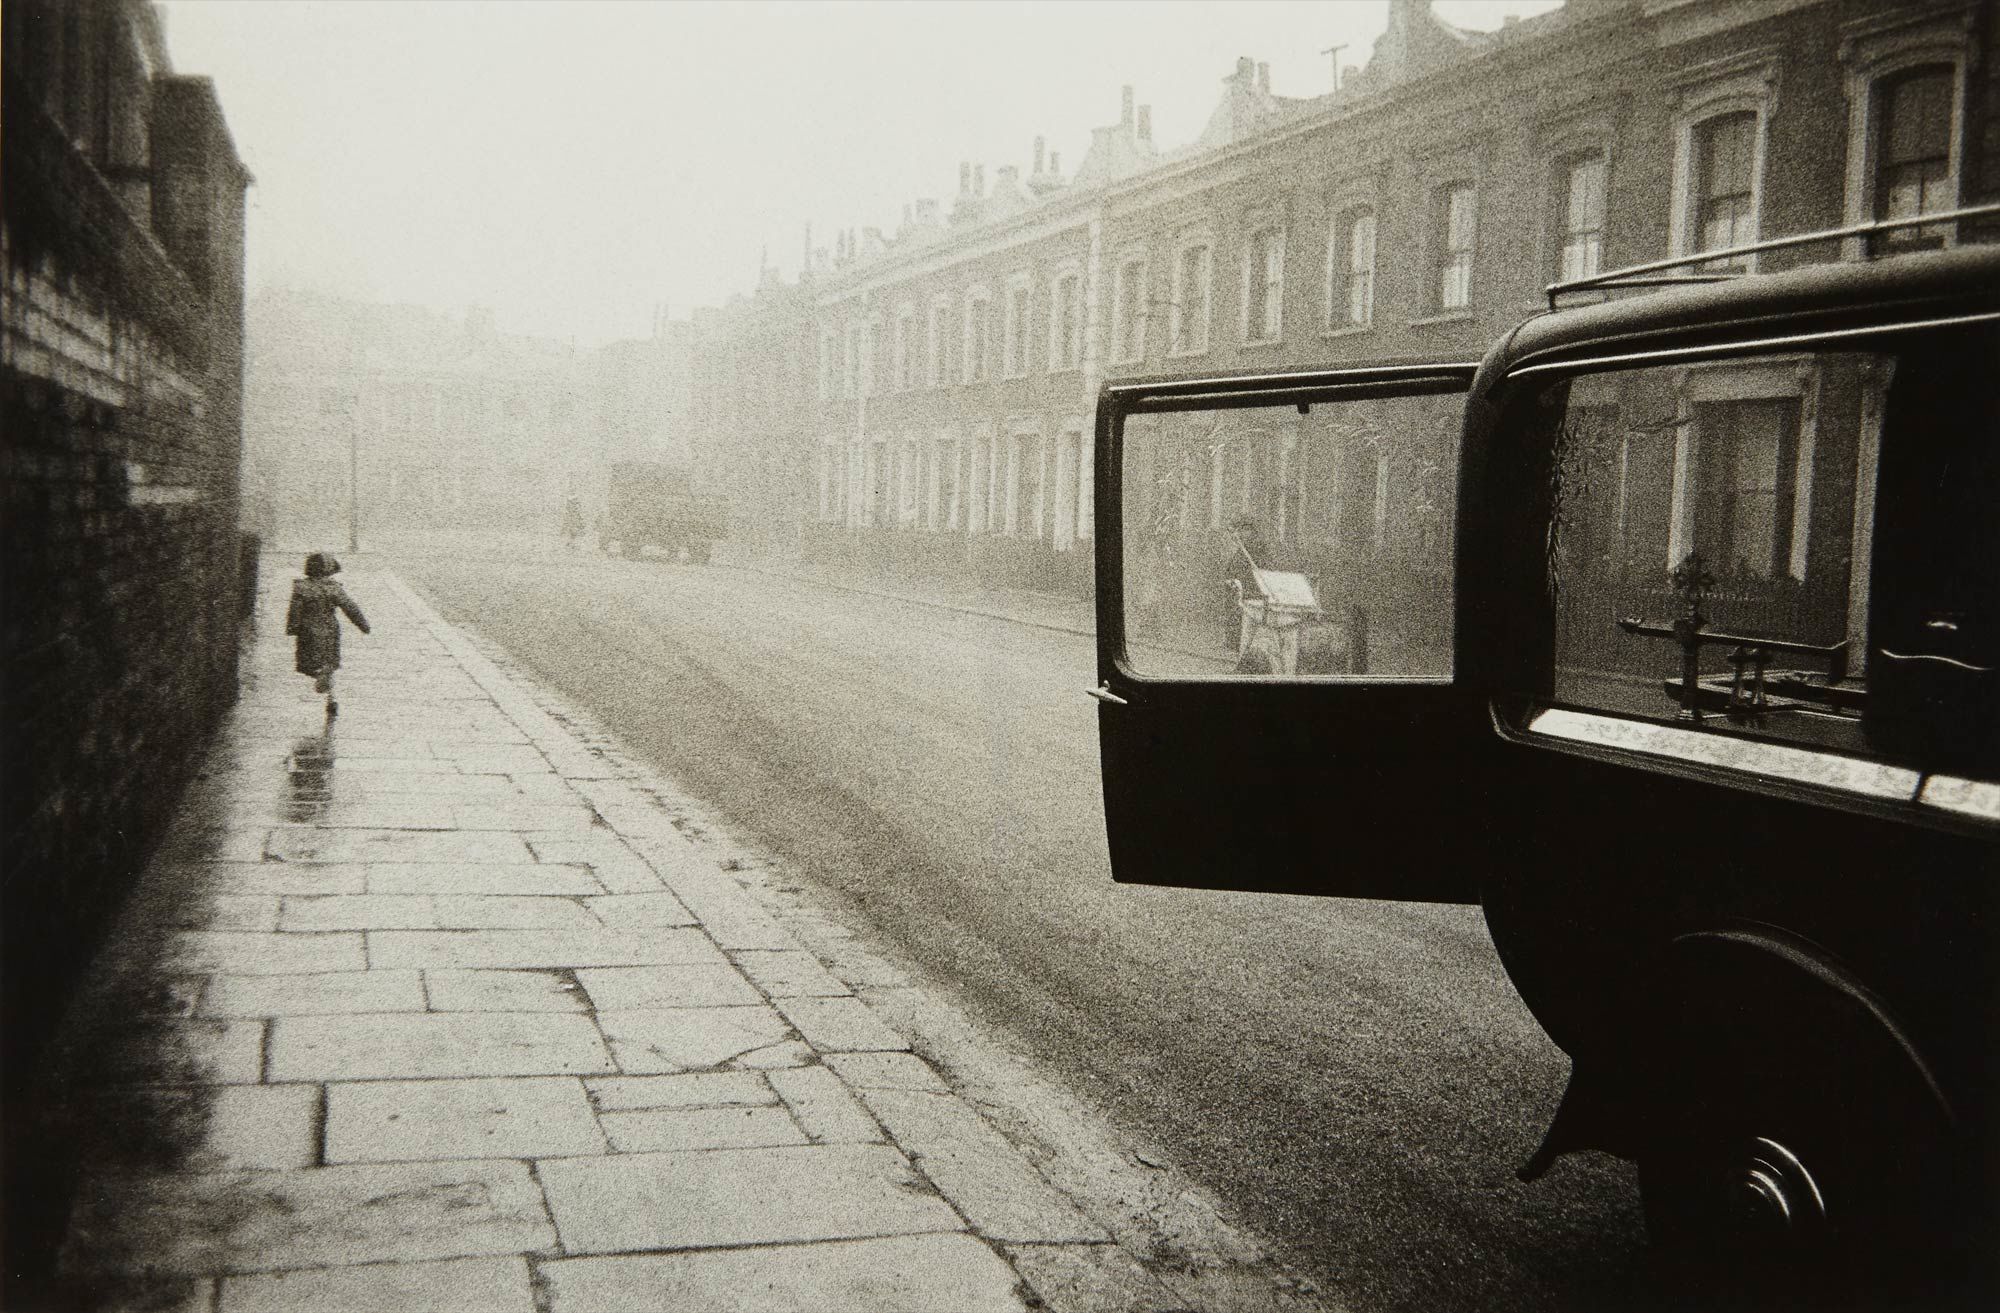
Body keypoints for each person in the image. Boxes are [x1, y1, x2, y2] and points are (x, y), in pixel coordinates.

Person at [285, 552, 370, 718]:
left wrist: (293, 628)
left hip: (308, 631)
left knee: (308, 662)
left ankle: (318, 675)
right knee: (329, 663)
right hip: (330, 631)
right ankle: (331, 698)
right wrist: (363, 625)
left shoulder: (301, 588)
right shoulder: (333, 588)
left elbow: (295, 611)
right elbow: (350, 607)